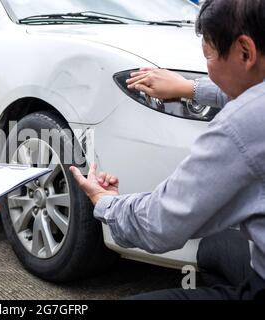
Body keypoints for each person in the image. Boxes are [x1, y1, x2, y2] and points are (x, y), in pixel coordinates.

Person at [70, 0, 265, 299]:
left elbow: (162, 224)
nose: (208, 71)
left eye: (208, 56)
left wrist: (105, 201)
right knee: (214, 248)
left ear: (245, 51)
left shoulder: (241, 125)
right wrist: (189, 88)